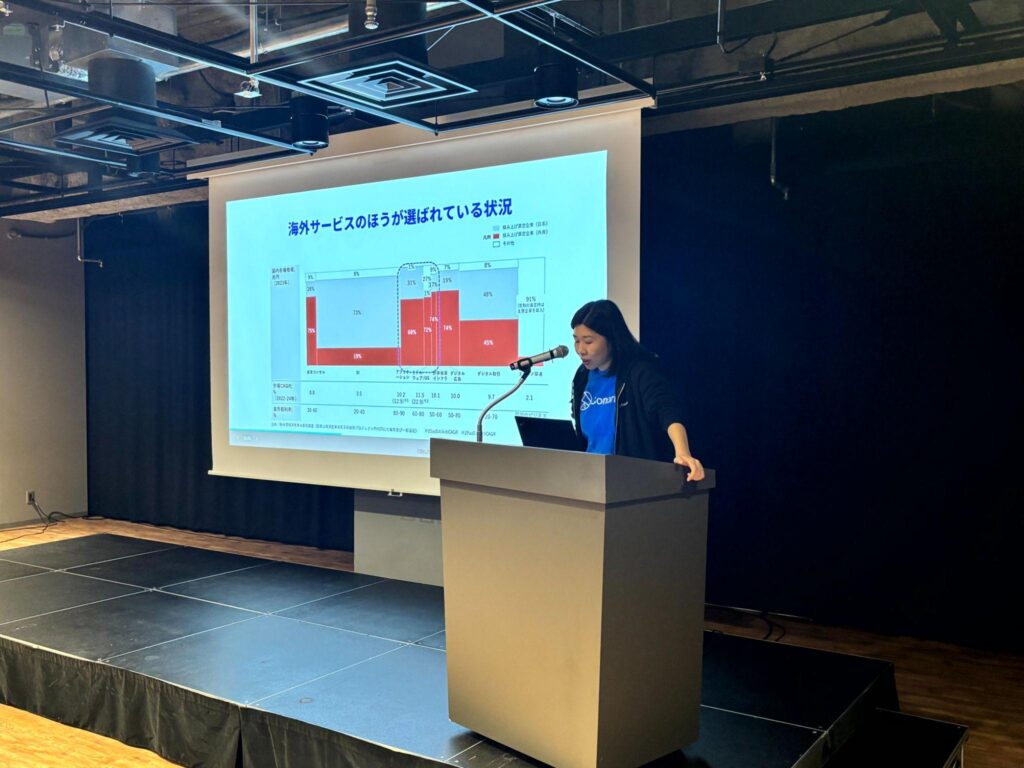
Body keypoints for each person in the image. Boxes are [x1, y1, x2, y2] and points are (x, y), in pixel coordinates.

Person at [570, 299, 705, 481]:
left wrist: (683, 452)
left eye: (588, 341)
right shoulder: (582, 376)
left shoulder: (638, 371)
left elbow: (666, 410)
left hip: (629, 480)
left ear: (611, 339)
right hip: (590, 478)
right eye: (576, 340)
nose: (580, 350)